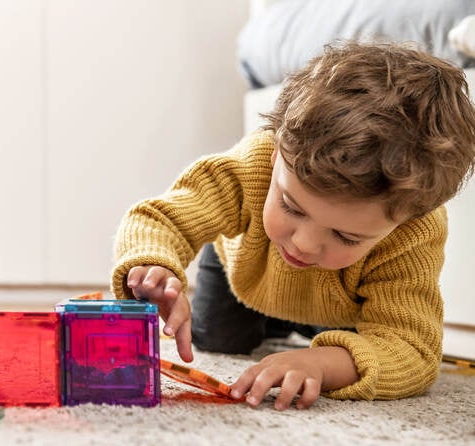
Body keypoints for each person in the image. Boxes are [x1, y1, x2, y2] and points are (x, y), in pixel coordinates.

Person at [111, 41, 475, 410]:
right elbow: (159, 218)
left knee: (336, 354)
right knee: (216, 338)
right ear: (276, 152)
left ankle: (305, 333)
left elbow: (412, 351)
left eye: (346, 236)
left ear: (403, 221)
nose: (302, 244)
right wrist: (154, 267)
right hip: (246, 273)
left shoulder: (414, 232)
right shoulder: (252, 163)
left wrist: (320, 362)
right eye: (291, 206)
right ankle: (278, 322)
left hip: (340, 305)